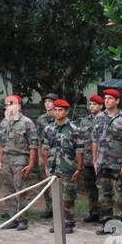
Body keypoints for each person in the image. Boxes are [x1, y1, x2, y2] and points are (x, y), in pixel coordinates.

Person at [92, 87, 122, 234]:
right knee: (103, 195)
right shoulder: (99, 117)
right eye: (106, 98)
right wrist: (95, 161)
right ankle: (106, 223)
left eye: (110, 98)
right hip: (102, 163)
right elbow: (95, 141)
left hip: (118, 164)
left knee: (118, 195)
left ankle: (118, 225)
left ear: (117, 101)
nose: (107, 101)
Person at [0, 94, 38, 230]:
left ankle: (23, 219)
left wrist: (31, 163)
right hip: (7, 159)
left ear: (19, 106)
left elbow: (33, 145)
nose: (8, 106)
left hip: (21, 158)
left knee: (20, 189)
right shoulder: (4, 122)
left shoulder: (27, 123)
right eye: (7, 104)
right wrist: (0, 160)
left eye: (11, 103)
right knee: (8, 190)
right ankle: (12, 217)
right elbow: (1, 144)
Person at [47, 99, 82, 234]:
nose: (57, 112)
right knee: (55, 196)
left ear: (66, 111)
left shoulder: (74, 129)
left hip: (68, 168)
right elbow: (45, 148)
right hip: (53, 168)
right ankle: (57, 223)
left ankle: (68, 223)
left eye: (60, 110)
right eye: (55, 110)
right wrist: (46, 166)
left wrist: (79, 168)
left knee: (68, 197)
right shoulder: (49, 128)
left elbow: (79, 150)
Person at [77, 95, 104, 222]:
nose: (91, 106)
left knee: (103, 188)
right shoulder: (84, 121)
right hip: (88, 159)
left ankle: (104, 213)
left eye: (94, 104)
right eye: (90, 104)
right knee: (90, 187)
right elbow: (81, 141)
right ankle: (93, 211)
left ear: (101, 106)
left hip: (102, 160)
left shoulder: (105, 119)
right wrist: (80, 160)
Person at [37, 94, 59, 220]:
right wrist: (40, 156)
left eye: (50, 101)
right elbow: (39, 137)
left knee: (56, 182)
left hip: (57, 153)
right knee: (44, 181)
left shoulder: (59, 117)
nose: (47, 104)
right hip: (44, 152)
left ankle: (57, 209)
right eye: (46, 101)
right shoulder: (41, 119)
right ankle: (48, 207)